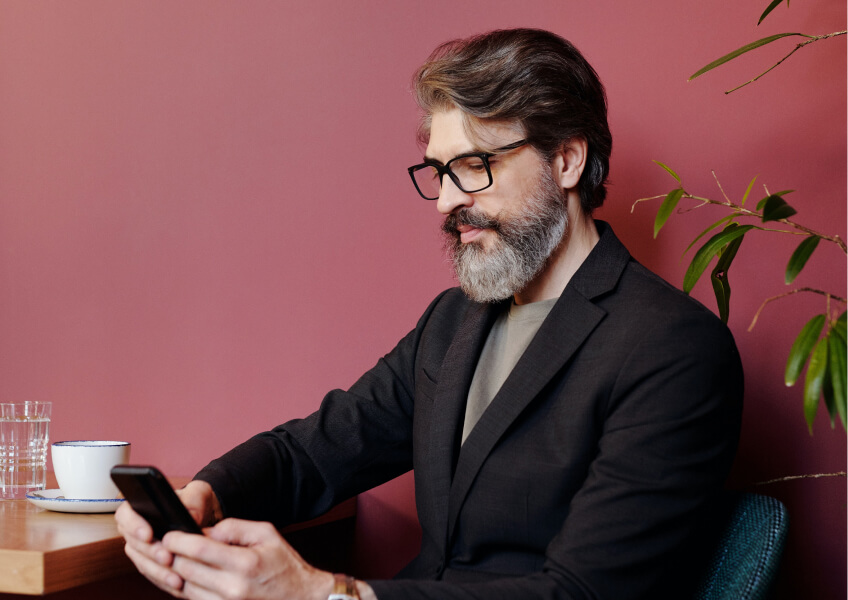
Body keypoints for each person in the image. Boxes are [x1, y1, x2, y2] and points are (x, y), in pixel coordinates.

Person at [116, 28, 743, 600]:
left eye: (473, 167)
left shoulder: (673, 349)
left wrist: (327, 595)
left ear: (567, 161)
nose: (445, 201)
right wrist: (204, 494)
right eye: (440, 172)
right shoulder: (451, 321)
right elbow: (315, 451)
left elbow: (582, 594)